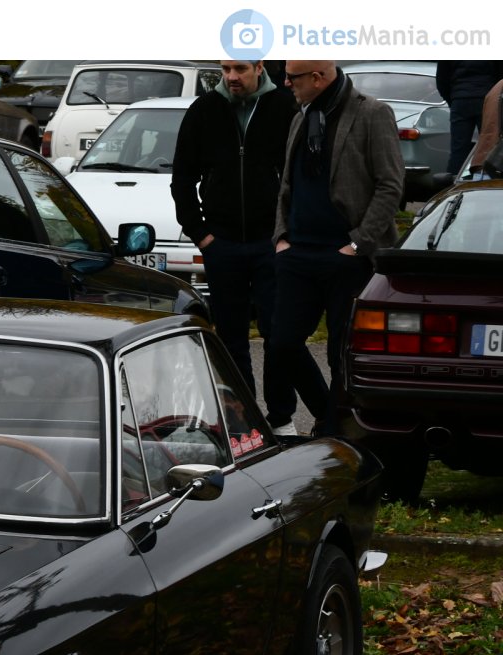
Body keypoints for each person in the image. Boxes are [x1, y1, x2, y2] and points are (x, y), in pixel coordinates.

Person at [270, 61, 404, 436]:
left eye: (292, 77)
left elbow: (390, 185)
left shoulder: (372, 113)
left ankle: (337, 432)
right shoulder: (303, 115)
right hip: (297, 253)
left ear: (317, 77)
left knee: (339, 353)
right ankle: (327, 415)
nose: (285, 83)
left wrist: (357, 243)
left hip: (347, 257)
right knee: (281, 343)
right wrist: (281, 237)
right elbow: (287, 184)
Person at [171, 58, 297, 426]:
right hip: (222, 243)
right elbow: (182, 177)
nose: (231, 77)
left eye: (239, 69)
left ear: (259, 67)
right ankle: (243, 417)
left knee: (278, 333)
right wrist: (202, 234)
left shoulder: (284, 107)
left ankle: (282, 416)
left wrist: (286, 234)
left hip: (270, 242)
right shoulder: (205, 109)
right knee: (230, 336)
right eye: (225, 69)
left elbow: (299, 175)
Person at [436, 61, 503, 178]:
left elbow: (441, 79)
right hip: (487, 97)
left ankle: (453, 181)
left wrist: (453, 99)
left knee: (458, 148)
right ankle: (487, 178)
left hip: (460, 99)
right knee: (489, 142)